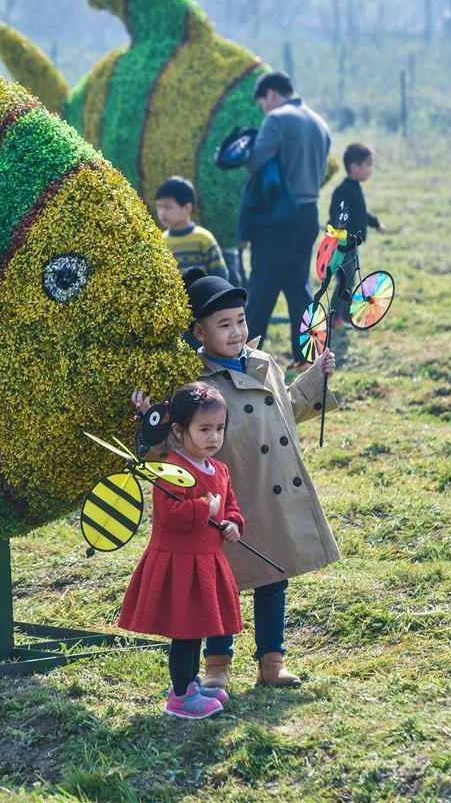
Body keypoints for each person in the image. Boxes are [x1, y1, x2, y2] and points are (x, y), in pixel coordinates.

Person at [132, 268, 340, 691]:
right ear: (199, 332)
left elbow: (289, 407)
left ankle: (271, 660)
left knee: (273, 577)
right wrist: (147, 423)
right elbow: (172, 445)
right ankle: (217, 666)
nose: (236, 331)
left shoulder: (263, 363)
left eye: (241, 320)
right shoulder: (194, 384)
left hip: (270, 493)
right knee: (218, 584)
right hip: (225, 500)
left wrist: (316, 376)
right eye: (223, 324)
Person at [118, 382, 245, 719]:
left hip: (206, 561)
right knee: (185, 633)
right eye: (204, 429)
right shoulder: (172, 469)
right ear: (178, 429)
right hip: (179, 563)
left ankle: (191, 684)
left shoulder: (219, 469)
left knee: (199, 627)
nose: (213, 437)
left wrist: (232, 523)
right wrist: (206, 508)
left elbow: (229, 506)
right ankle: (180, 695)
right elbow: (171, 515)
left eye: (219, 429)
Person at [244, 71, 331, 371]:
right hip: (309, 213)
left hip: (278, 217)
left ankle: (243, 355)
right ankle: (307, 354)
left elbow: (255, 162)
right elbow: (321, 175)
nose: (264, 109)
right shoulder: (320, 123)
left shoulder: (277, 119)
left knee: (262, 285)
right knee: (297, 285)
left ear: (270, 94)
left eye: (263, 104)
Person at [329, 143, 387, 327]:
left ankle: (340, 317)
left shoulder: (354, 188)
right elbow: (338, 216)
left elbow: (361, 213)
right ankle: (336, 318)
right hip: (343, 246)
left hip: (351, 245)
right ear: (355, 167)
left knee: (348, 280)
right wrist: (341, 236)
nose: (370, 170)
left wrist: (375, 223)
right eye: (368, 165)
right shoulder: (344, 191)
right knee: (345, 281)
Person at [155, 176, 229, 280]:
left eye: (167, 207)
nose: (162, 212)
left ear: (187, 208)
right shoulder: (161, 241)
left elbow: (220, 274)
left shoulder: (203, 238)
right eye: (159, 206)